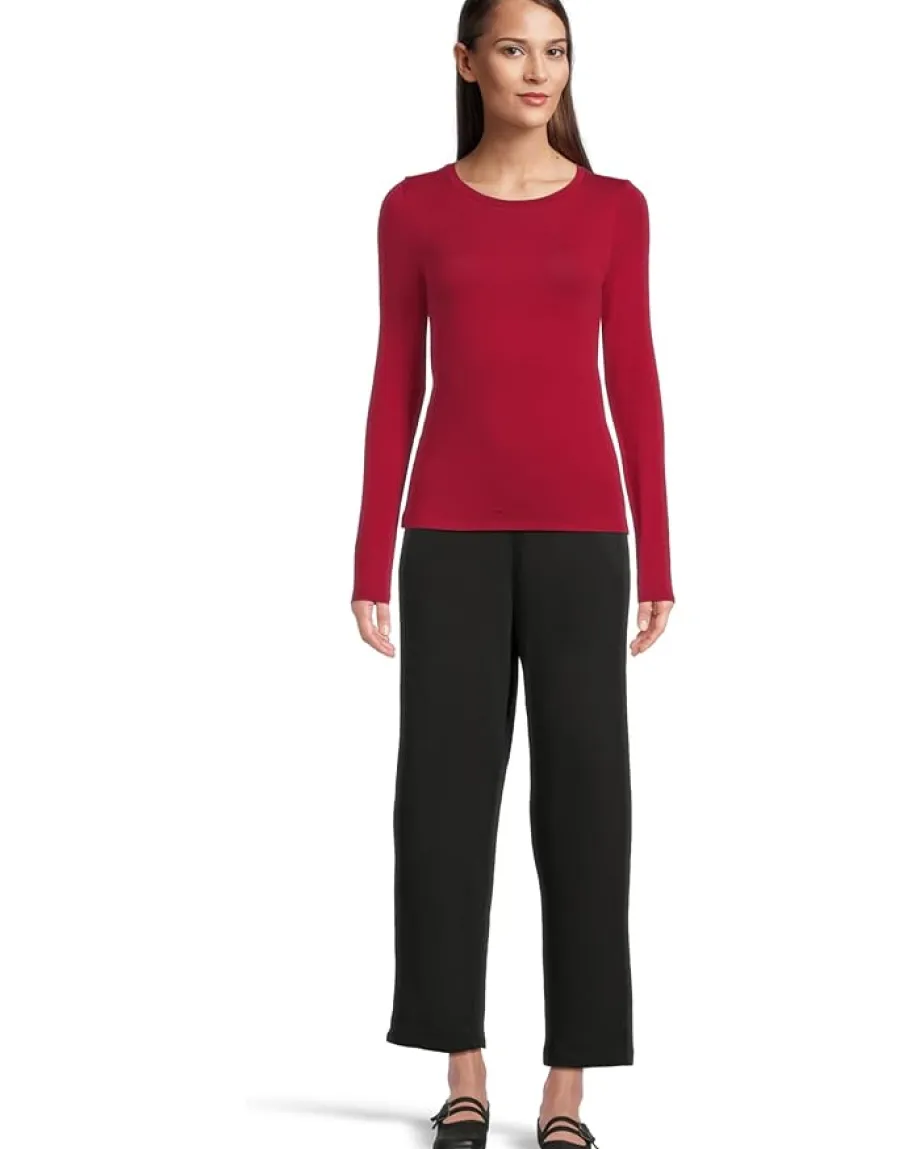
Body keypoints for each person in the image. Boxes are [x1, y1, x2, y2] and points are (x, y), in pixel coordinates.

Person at [350, 1, 675, 1146]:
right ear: (465, 62)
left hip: (584, 540)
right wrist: (370, 553)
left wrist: (656, 551)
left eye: (555, 51)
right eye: (511, 48)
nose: (537, 71)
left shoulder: (614, 208)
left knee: (585, 806)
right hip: (446, 539)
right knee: (441, 805)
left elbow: (632, 378)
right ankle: (462, 1065)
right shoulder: (413, 209)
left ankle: (567, 1082)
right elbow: (397, 378)